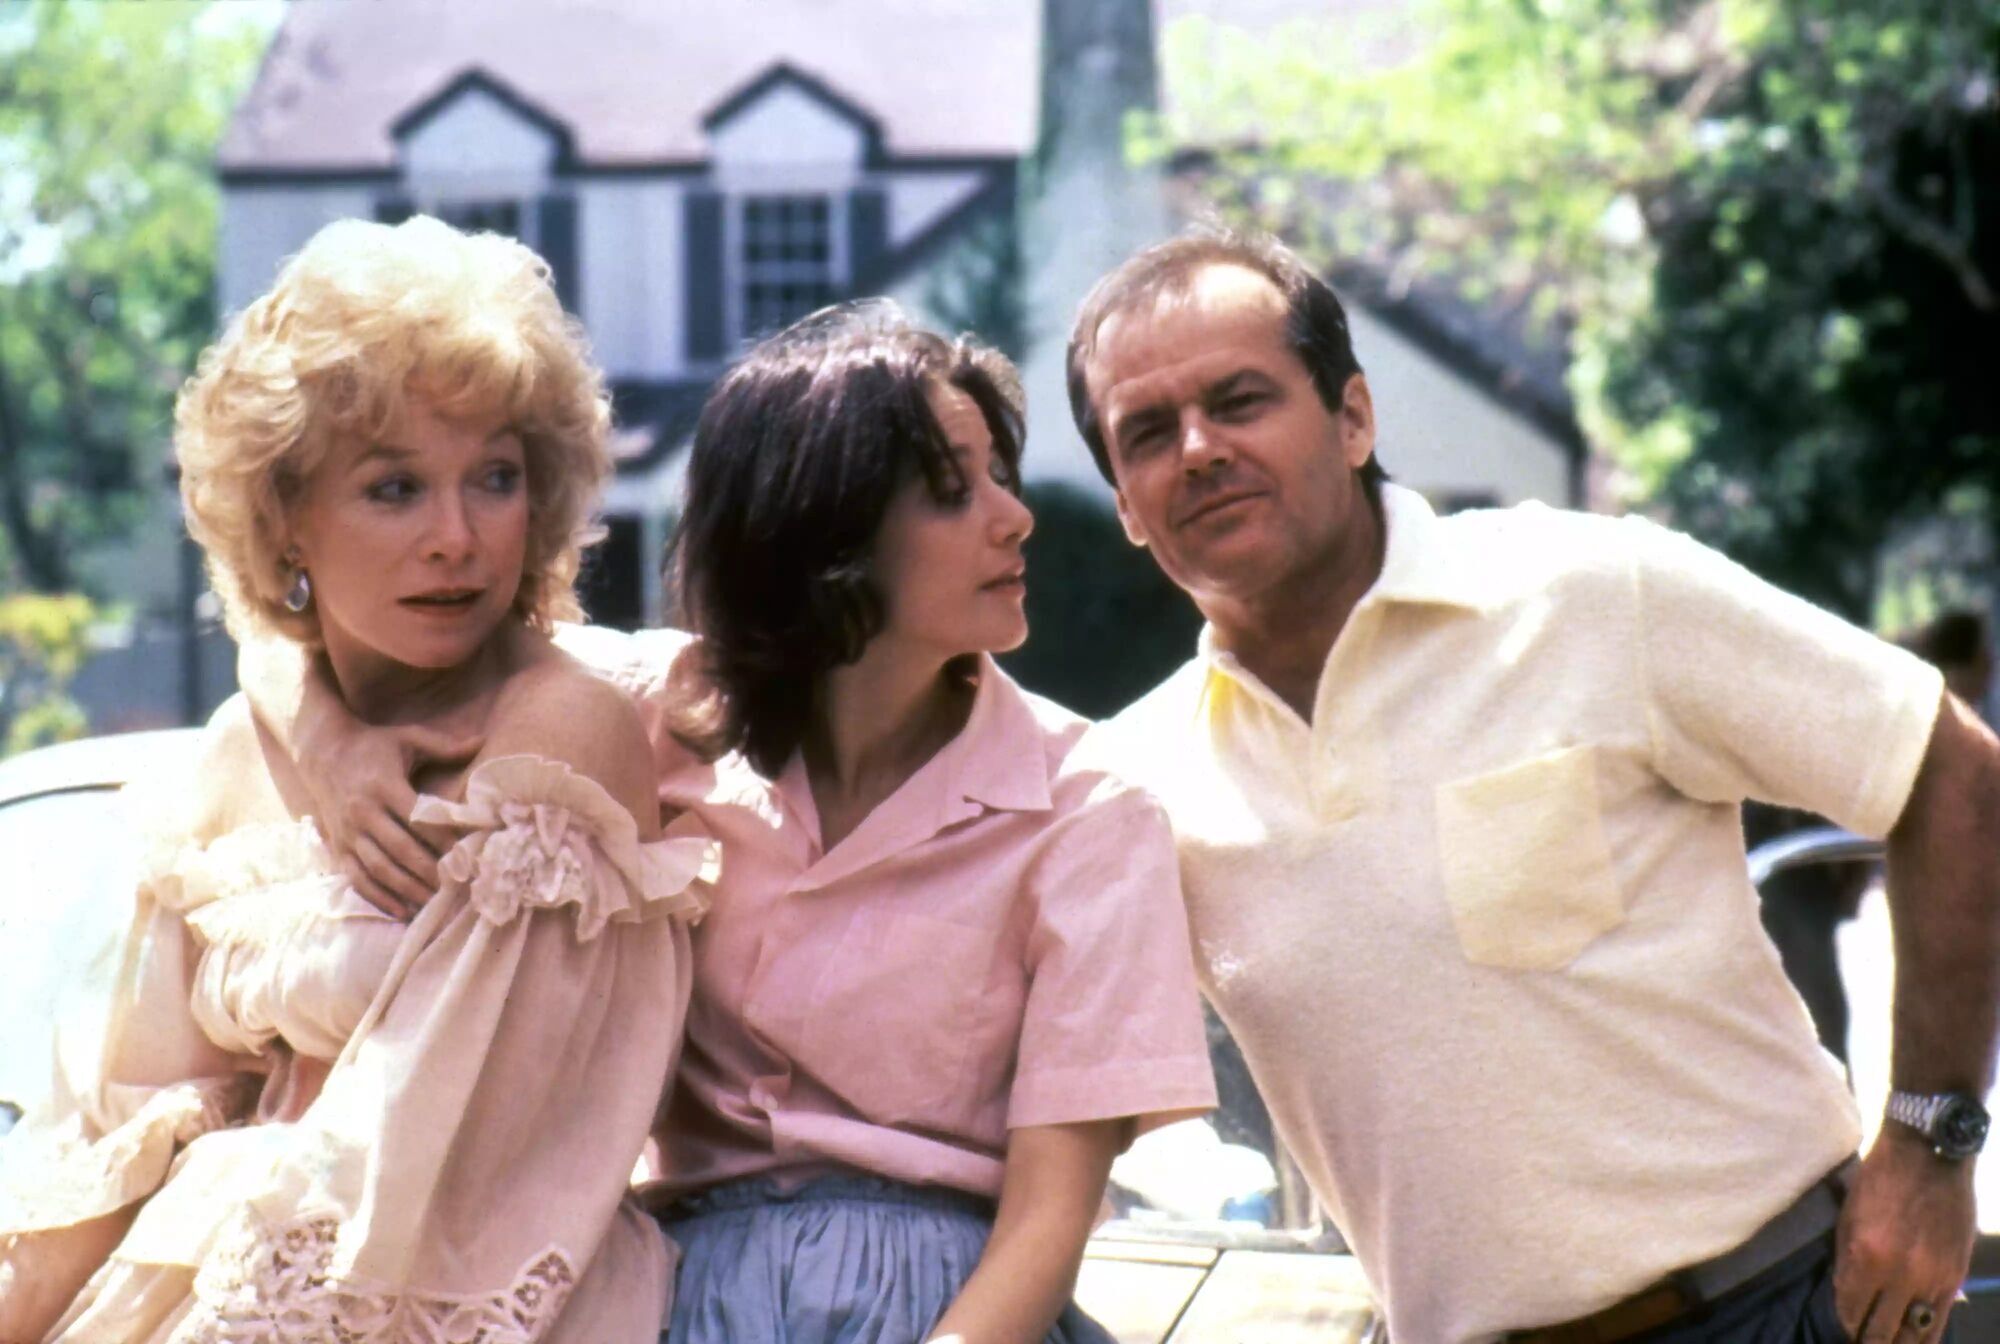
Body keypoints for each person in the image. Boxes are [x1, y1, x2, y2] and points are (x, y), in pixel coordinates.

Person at [1062, 227, 2000, 1344]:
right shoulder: (1134, 786)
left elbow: (1949, 776)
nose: (1199, 449)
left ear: (1353, 418)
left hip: (1778, 1304)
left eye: (1239, 399)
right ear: (1123, 502)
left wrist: (1926, 1140)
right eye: (1147, 433)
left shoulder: (1590, 592)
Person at [241, 303, 1217, 1344]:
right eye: (948, 491)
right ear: (823, 531)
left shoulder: (1086, 807)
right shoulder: (643, 721)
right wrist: (330, 747)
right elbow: (313, 644)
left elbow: (1048, 1221)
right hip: (661, 1298)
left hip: (954, 1309)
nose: (1012, 517)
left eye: (999, 477)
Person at [0, 216, 712, 1342]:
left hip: (457, 1290)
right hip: (201, 1276)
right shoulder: (241, 750)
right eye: (393, 489)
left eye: (494, 479)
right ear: (287, 521)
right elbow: (124, 1136)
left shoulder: (559, 736)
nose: (456, 538)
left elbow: (452, 1157)